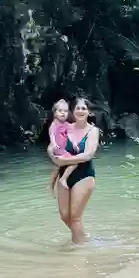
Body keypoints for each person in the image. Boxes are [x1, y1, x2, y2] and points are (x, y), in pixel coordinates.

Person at [50, 96, 99, 244]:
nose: (80, 111)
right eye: (77, 108)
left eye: (84, 108)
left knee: (75, 217)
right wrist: (53, 157)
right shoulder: (65, 128)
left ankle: (78, 252)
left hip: (84, 176)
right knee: (65, 216)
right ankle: (84, 239)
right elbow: (52, 147)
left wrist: (64, 160)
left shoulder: (93, 131)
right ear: (73, 111)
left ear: (89, 112)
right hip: (63, 175)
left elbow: (88, 154)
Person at [46, 98, 71, 193]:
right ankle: (63, 179)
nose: (63, 113)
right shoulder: (54, 124)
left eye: (65, 111)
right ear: (55, 113)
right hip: (58, 149)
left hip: (63, 149)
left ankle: (51, 186)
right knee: (74, 163)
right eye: (60, 111)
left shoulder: (66, 124)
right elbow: (51, 134)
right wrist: (54, 143)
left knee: (57, 167)